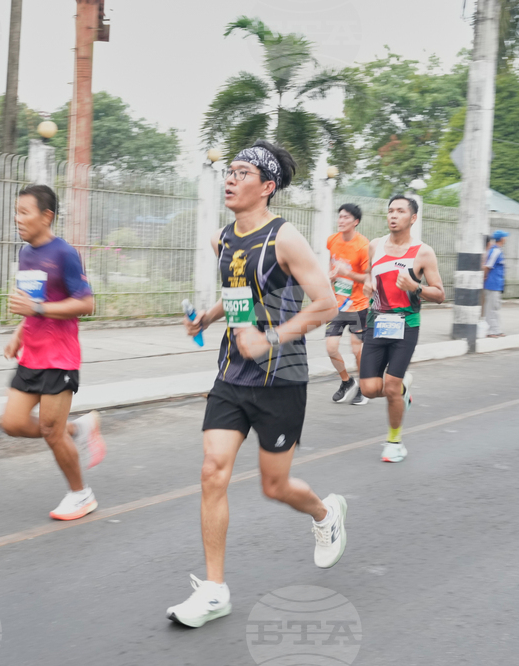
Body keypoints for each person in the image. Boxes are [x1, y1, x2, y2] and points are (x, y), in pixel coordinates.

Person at [168, 140, 346, 628]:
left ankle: (325, 513)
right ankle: (214, 590)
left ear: (267, 187)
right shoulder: (223, 239)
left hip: (281, 377)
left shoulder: (286, 238)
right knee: (212, 470)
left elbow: (327, 303)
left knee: (275, 485)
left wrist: (271, 338)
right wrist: (208, 315)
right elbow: (240, 292)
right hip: (231, 373)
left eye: (242, 172)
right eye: (229, 170)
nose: (230, 178)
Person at [0, 185, 105, 521]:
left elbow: (86, 303)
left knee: (49, 430)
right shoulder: (25, 253)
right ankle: (78, 429)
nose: (18, 219)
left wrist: (37, 309)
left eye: (24, 212)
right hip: (32, 352)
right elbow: (34, 302)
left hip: (60, 356)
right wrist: (19, 332)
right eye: (17, 212)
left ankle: (81, 495)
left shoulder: (64, 254)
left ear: (47, 216)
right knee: (12, 423)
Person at [359, 195, 445, 463]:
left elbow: (440, 294)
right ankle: (404, 389)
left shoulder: (423, 252)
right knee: (368, 389)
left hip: (406, 325)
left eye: (400, 211)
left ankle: (394, 442)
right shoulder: (375, 246)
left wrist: (415, 287)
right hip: (377, 322)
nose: (393, 215)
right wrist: (366, 284)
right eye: (390, 211)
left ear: (413, 218)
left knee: (391, 387)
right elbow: (369, 275)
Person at [326, 203, 370, 405]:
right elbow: (332, 264)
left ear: (356, 222)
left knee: (357, 351)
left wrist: (347, 273)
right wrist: (332, 276)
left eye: (346, 218)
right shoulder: (332, 240)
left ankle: (363, 388)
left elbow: (367, 278)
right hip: (338, 305)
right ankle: (346, 381)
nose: (341, 221)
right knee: (331, 348)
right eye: (340, 216)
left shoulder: (363, 246)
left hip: (358, 305)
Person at [483, 230, 508, 337]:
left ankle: (496, 329)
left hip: (496, 284)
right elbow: (487, 266)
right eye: (505, 237)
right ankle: (491, 331)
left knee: (495, 308)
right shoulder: (495, 251)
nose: (506, 239)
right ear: (502, 239)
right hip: (492, 284)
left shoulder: (497, 250)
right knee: (491, 309)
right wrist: (485, 277)